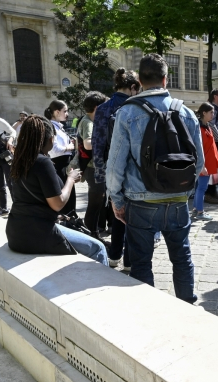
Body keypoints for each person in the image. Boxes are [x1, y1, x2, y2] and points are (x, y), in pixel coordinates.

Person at [106, 53, 204, 304]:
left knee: (141, 262)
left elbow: (115, 165)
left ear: (139, 79)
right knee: (182, 258)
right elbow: (199, 162)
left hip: (140, 201)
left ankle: (150, 311)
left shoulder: (127, 112)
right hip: (178, 199)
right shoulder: (187, 113)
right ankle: (187, 306)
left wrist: (117, 201)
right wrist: (183, 190)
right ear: (166, 79)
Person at [6, 115, 107, 264]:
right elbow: (58, 203)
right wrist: (71, 179)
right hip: (38, 233)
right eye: (53, 136)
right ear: (47, 139)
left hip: (15, 232)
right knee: (97, 248)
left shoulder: (19, 160)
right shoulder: (42, 162)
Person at [92, 68, 141, 269]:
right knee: (134, 216)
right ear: (132, 87)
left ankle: (114, 255)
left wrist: (101, 175)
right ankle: (129, 261)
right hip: (136, 171)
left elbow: (97, 144)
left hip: (112, 170)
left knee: (117, 212)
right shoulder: (137, 107)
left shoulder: (103, 108)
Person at [77, 91, 108, 238]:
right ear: (97, 108)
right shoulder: (88, 122)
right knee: (95, 204)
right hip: (92, 169)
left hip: (94, 168)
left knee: (97, 202)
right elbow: (88, 144)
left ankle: (93, 232)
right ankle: (91, 234)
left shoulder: (89, 120)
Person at [44, 100, 76, 213]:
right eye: (65, 111)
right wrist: (70, 147)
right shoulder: (52, 127)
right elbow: (55, 150)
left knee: (70, 199)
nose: (67, 114)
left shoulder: (58, 126)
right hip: (59, 166)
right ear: (57, 112)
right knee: (65, 199)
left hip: (65, 166)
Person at [194, 102, 218, 220]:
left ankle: (196, 209)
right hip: (203, 163)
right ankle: (200, 212)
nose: (213, 114)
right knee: (202, 188)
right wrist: (202, 165)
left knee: (199, 187)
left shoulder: (206, 126)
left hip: (206, 163)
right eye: (211, 112)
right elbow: (198, 148)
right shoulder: (200, 128)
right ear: (204, 113)